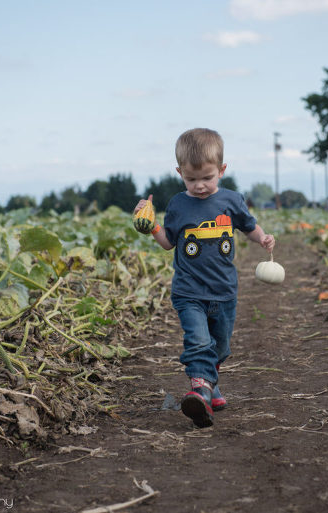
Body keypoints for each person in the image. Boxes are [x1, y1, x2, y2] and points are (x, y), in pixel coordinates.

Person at [133, 128, 275, 428]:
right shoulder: (177, 205)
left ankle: (211, 386)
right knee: (198, 342)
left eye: (207, 178)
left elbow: (248, 226)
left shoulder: (232, 200)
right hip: (189, 291)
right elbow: (170, 241)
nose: (199, 186)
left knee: (220, 347)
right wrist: (152, 227)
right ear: (179, 172)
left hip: (224, 291)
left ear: (222, 170)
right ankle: (199, 393)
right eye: (191, 179)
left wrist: (262, 238)